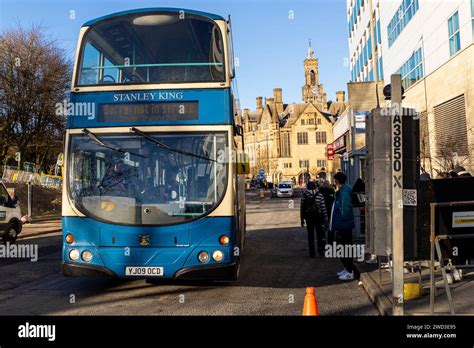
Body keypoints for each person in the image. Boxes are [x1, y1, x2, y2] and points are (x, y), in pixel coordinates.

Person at [330, 172, 355, 280]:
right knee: (343, 248)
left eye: (335, 180)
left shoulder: (343, 193)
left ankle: (350, 271)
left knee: (345, 248)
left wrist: (341, 219)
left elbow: (345, 208)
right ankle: (347, 268)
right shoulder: (341, 191)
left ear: (337, 181)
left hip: (343, 225)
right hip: (342, 224)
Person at [300, 181, 328, 257]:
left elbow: (302, 208)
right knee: (320, 234)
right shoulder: (320, 195)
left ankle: (312, 252)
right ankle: (320, 249)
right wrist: (326, 218)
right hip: (318, 217)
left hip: (309, 217)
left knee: (310, 235)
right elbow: (323, 208)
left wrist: (302, 219)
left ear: (307, 187)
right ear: (315, 187)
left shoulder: (304, 195)